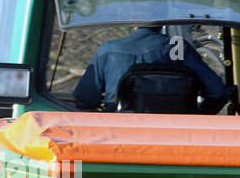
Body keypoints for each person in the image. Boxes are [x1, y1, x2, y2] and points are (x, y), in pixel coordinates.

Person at [73, 24, 230, 113]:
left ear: (132, 20)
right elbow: (218, 92)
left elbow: (85, 99)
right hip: (174, 135)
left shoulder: (108, 50)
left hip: (118, 136)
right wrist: (196, 117)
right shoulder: (178, 48)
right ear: (162, 22)